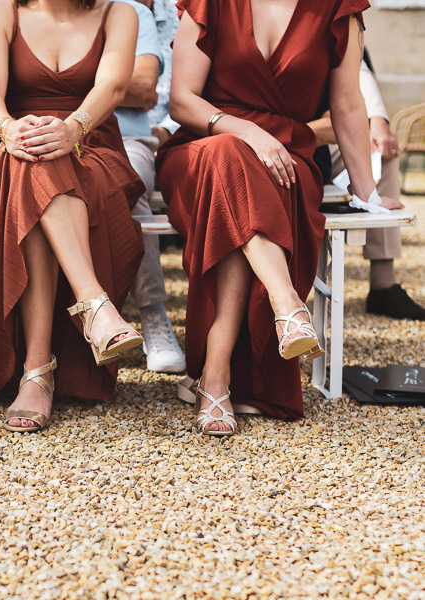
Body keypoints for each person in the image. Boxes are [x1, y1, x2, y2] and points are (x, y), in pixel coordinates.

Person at [156, 0, 398, 435]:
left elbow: (346, 104)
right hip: (203, 148)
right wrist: (249, 133)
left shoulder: (340, 9)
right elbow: (181, 102)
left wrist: (369, 195)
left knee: (240, 203)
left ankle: (215, 372)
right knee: (231, 158)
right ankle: (285, 301)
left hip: (285, 162)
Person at [0, 0, 146, 432]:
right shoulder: (2, 11)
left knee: (38, 167)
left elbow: (113, 89)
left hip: (93, 147)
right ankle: (94, 306)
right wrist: (7, 130)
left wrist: (72, 128)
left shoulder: (119, 12)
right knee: (30, 162)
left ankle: (37, 371)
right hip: (16, 145)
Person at [309, 56, 425, 321]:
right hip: (284, 132)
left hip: (322, 137)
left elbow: (353, 61)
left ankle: (384, 284)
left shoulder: (339, 19)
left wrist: (378, 120)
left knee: (381, 153)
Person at [113, 0, 186, 373]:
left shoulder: (182, 13)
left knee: (127, 181)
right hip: (55, 127)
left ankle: (153, 316)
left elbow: (148, 90)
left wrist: (168, 131)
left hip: (161, 133)